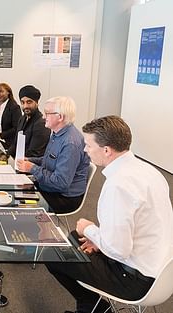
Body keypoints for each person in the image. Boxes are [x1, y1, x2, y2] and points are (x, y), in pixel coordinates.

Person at [46, 116, 173, 313]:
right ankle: (90, 307)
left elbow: (118, 250)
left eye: (88, 145)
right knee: (73, 238)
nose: (85, 149)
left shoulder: (118, 185)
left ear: (106, 150)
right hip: (160, 268)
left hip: (134, 279)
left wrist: (89, 229)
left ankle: (93, 307)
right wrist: (97, 239)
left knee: (51, 252)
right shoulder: (149, 171)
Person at [16, 96, 90, 214]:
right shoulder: (57, 133)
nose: (44, 117)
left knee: (17, 204)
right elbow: (48, 160)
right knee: (16, 191)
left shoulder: (70, 143)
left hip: (64, 197)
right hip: (50, 187)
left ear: (60, 117)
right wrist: (30, 160)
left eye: (47, 114)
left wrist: (32, 168)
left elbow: (60, 183)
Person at [7, 85, 50, 158]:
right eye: (22, 102)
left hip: (30, 165)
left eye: (29, 102)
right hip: (19, 162)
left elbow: (34, 153)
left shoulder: (41, 123)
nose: (25, 106)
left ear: (36, 103)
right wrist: (5, 156)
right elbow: (16, 143)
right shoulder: (22, 118)